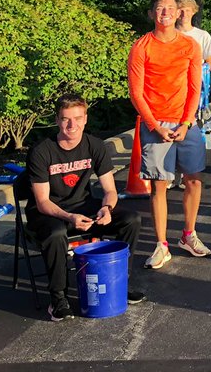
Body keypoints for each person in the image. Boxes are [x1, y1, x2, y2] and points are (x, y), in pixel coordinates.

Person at [25, 94, 145, 320]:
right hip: (49, 211)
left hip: (83, 205)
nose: (72, 125)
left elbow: (110, 190)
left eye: (78, 118)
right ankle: (58, 298)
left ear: (86, 118)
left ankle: (119, 283)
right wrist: (70, 217)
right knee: (56, 233)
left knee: (132, 219)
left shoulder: (95, 145)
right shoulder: (42, 151)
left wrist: (107, 209)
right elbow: (42, 202)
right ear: (57, 120)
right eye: (66, 119)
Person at [128, 0, 210, 269]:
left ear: (179, 13)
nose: (166, 12)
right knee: (159, 185)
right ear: (152, 14)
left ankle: (189, 235)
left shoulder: (190, 46)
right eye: (160, 8)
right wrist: (154, 126)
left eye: (171, 8)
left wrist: (187, 123)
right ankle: (161, 244)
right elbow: (136, 93)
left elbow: (194, 87)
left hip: (186, 121)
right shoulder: (142, 46)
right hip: (155, 123)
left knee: (194, 179)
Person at [176, 0, 211, 121]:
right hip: (174, 87)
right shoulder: (169, 35)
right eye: (180, 10)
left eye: (187, 10)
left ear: (193, 12)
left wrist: (198, 68)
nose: (184, 14)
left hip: (197, 88)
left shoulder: (203, 35)